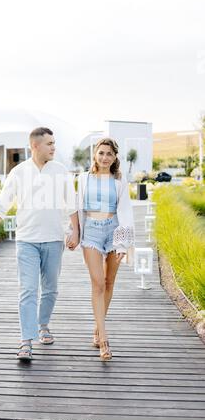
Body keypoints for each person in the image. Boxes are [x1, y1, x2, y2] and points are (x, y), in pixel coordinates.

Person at [0, 127, 79, 361]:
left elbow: (72, 204)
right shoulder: (18, 172)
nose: (53, 147)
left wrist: (75, 231)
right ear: (35, 146)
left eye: (54, 143)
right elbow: (1, 206)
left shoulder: (61, 171)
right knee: (27, 290)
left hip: (54, 239)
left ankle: (43, 325)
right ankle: (25, 341)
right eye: (49, 144)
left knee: (50, 289)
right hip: (26, 240)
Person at [75, 138, 134, 362]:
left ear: (115, 157)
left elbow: (126, 211)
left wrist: (122, 243)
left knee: (109, 282)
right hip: (91, 231)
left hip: (113, 230)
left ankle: (97, 328)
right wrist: (74, 233)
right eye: (101, 153)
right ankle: (105, 338)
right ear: (95, 155)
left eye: (109, 153)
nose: (105, 157)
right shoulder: (83, 178)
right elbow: (77, 207)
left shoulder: (119, 180)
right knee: (98, 283)